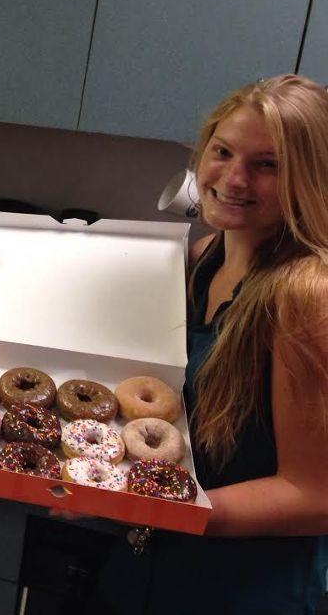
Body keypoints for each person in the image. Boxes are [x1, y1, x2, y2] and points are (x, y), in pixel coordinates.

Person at [102, 74, 328, 614]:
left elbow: (313, 495)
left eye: (267, 165)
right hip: (156, 550)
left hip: (238, 583)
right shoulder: (206, 256)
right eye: (222, 151)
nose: (233, 178)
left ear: (309, 177)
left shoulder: (305, 298)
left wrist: (149, 503)